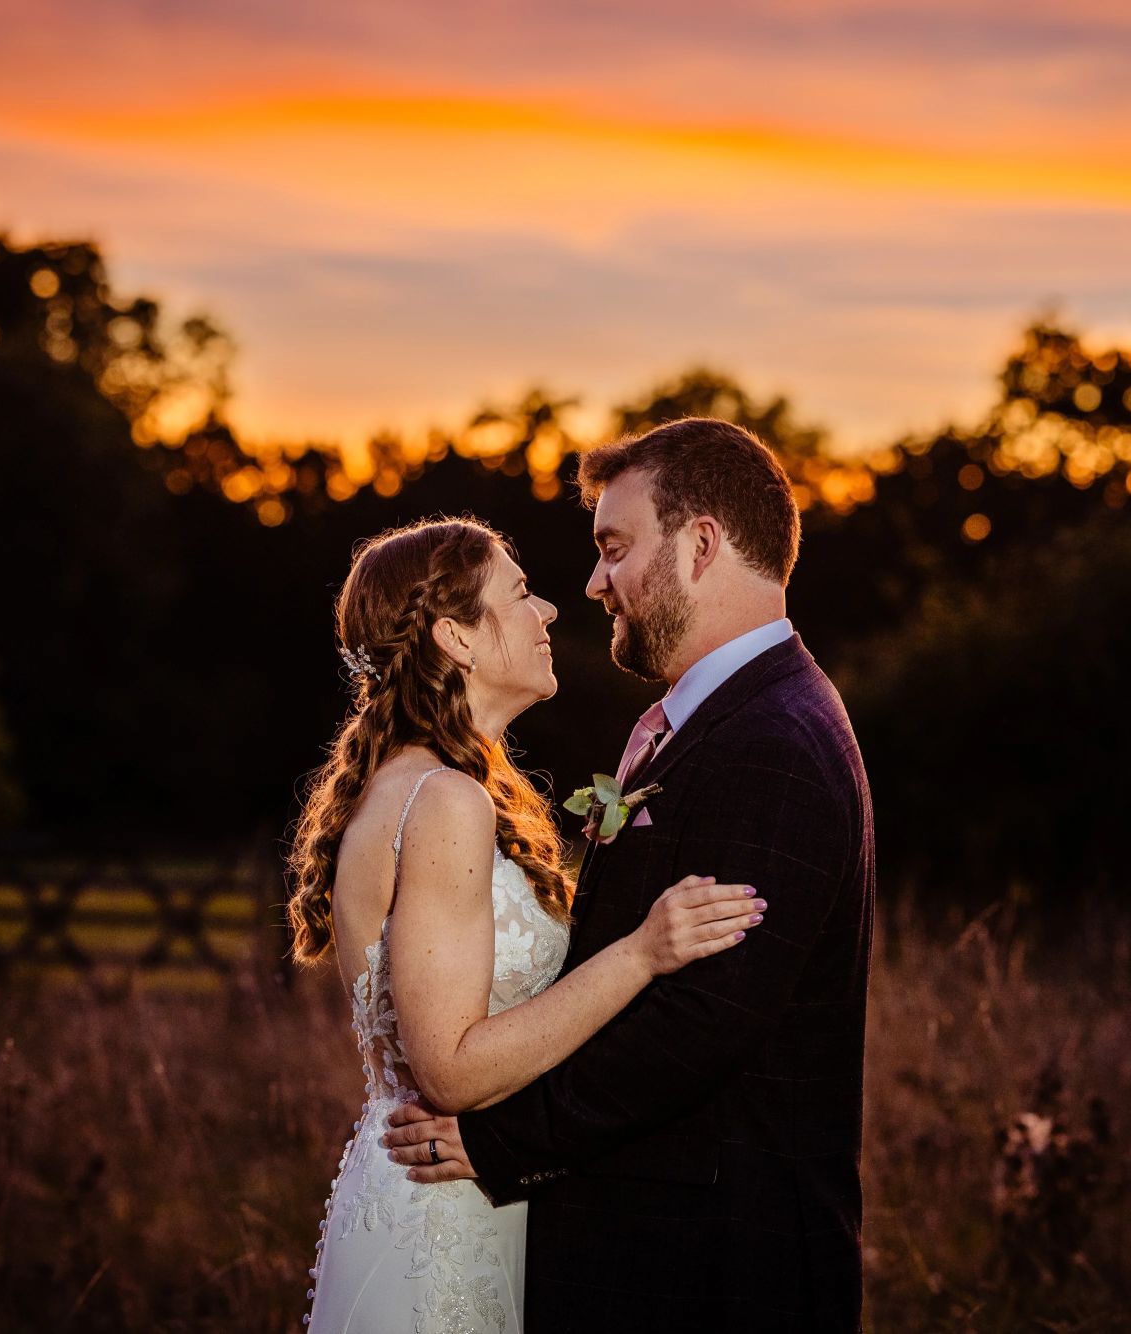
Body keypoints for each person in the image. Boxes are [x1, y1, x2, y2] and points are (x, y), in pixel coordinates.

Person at [384, 418, 877, 1331]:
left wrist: (497, 1143)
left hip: (713, 1269)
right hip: (655, 1251)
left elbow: (702, 1026)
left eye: (614, 548)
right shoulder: (715, 721)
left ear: (700, 545)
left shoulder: (774, 742)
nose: (593, 583)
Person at [288, 516, 764, 1333]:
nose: (547, 610)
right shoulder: (443, 801)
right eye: (519, 593)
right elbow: (450, 1071)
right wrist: (644, 953)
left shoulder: (412, 787)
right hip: (446, 1222)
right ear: (456, 638)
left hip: (446, 1196)